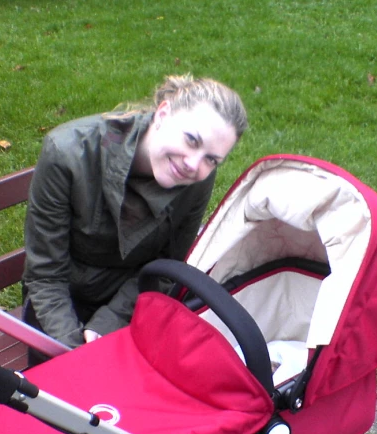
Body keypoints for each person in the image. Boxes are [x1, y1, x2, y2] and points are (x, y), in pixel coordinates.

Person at [22, 75, 247, 360]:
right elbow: (45, 275)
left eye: (211, 159)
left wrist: (110, 322)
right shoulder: (67, 153)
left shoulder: (198, 178)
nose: (194, 164)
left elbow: (168, 266)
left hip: (137, 303)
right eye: (191, 140)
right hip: (60, 304)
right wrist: (74, 351)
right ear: (163, 114)